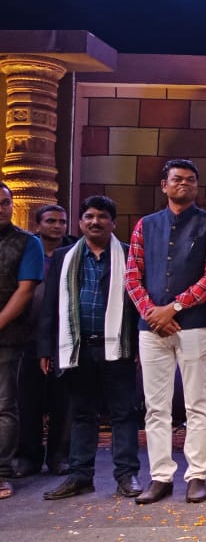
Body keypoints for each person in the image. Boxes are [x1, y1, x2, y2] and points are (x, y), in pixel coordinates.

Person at [125, 159, 206, 504]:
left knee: (197, 403)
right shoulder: (145, 225)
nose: (184, 184)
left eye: (190, 180)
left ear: (196, 186)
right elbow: (131, 276)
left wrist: (175, 307)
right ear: (164, 185)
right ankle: (160, 476)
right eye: (177, 179)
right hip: (151, 326)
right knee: (155, 407)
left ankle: (196, 475)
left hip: (193, 324)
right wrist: (152, 313)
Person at [38, 196, 142, 500]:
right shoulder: (64, 256)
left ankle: (127, 476)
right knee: (82, 413)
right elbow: (50, 304)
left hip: (118, 346)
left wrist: (139, 345)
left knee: (124, 413)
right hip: (77, 347)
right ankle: (80, 476)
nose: (95, 221)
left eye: (102, 216)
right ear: (81, 222)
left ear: (113, 223)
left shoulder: (129, 254)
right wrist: (46, 348)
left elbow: (138, 302)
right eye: (89, 216)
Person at [15, 205, 76, 478]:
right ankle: (28, 457)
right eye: (51, 221)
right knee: (27, 401)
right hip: (26, 335)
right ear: (37, 224)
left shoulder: (74, 251)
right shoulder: (26, 250)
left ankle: (59, 456)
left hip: (63, 336)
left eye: (62, 221)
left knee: (63, 401)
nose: (57, 226)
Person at [0, 181, 46, 500]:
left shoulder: (27, 242)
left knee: (3, 406)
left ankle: (1, 473)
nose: (1, 208)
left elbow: (25, 290)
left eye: (5, 203)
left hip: (9, 336)